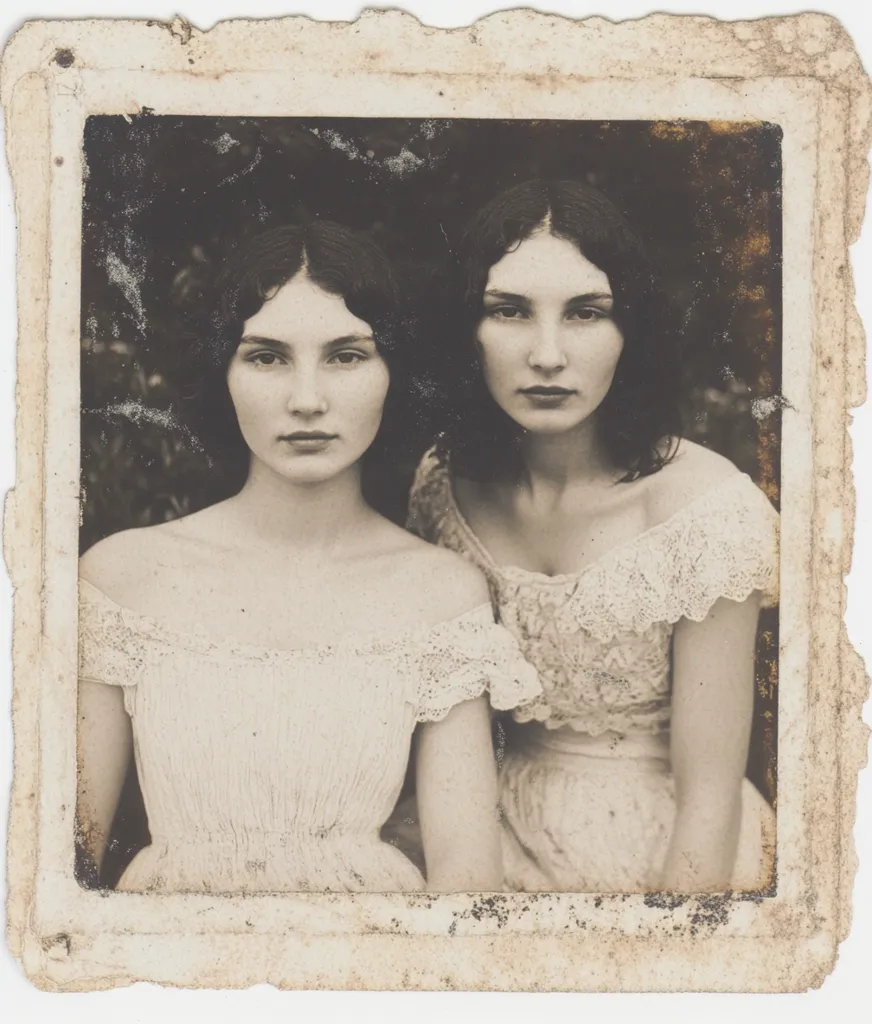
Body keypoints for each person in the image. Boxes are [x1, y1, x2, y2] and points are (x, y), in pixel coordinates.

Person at [76, 221, 541, 894]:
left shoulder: (442, 592)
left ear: (393, 372)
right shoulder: (125, 576)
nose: (306, 400)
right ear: (222, 371)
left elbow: (467, 885)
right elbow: (62, 872)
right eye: (266, 357)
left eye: (346, 356)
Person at [408, 179, 779, 893]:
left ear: (629, 332)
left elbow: (710, 794)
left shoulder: (702, 510)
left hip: (660, 844)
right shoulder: (443, 482)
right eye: (509, 311)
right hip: (479, 829)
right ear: (468, 329)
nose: (547, 354)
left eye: (585, 313)